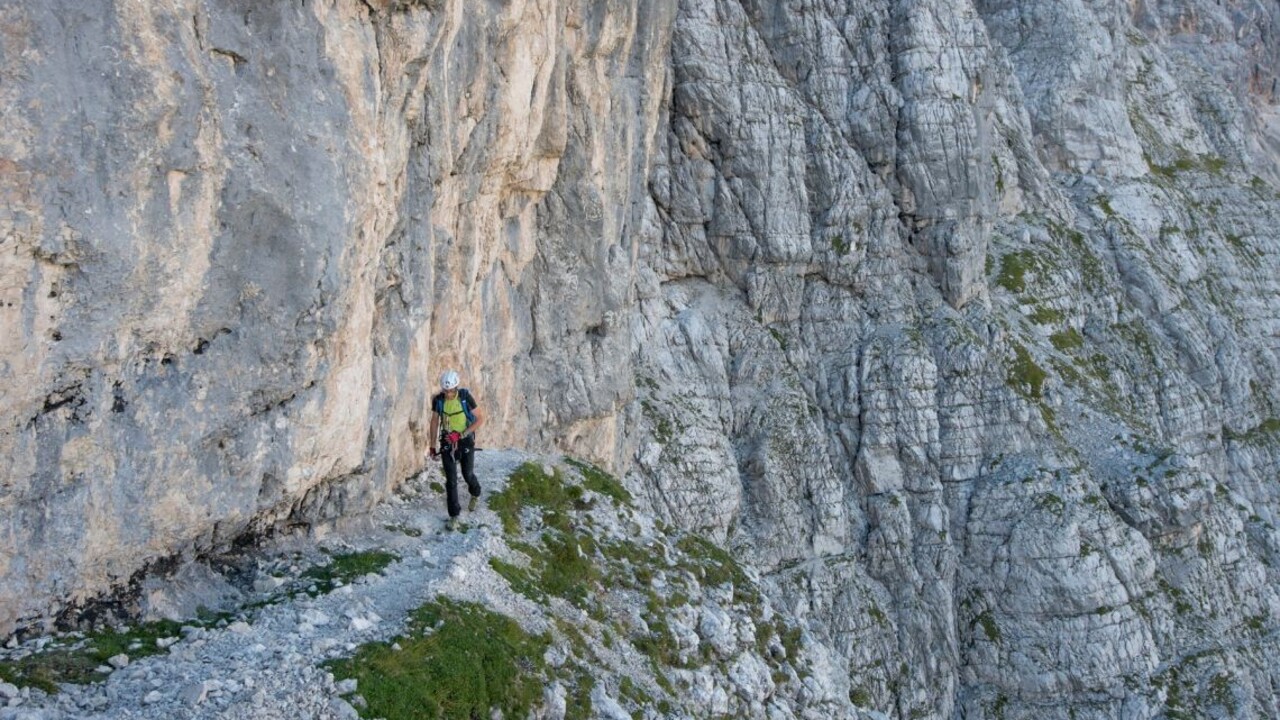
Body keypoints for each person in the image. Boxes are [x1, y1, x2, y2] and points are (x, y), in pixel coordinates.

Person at [428, 369, 485, 529]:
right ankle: (454, 515)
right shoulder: (438, 400)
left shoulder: (465, 398)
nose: (448, 393)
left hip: (465, 440)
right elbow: (434, 422)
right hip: (447, 441)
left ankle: (476, 492)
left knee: (467, 474)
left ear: (456, 388)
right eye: (446, 391)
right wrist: (432, 445)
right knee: (451, 480)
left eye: (451, 390)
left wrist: (461, 435)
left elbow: (480, 419)